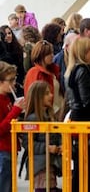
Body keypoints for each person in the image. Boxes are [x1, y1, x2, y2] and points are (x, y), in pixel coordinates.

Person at [65, 37, 90, 192]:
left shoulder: (73, 71)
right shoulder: (83, 71)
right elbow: (86, 99)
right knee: (86, 164)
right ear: (82, 52)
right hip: (84, 121)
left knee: (82, 164)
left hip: (78, 119)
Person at [21, 81, 62, 192]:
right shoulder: (32, 118)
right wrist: (47, 147)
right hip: (40, 166)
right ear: (38, 97)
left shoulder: (50, 116)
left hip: (50, 163)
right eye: (47, 93)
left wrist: (61, 145)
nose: (51, 95)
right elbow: (28, 143)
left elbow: (56, 135)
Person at [0, 61, 25, 192]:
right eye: (10, 80)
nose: (13, 83)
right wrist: (15, 110)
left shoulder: (6, 98)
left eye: (14, 79)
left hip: (9, 148)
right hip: (2, 150)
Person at [24, 40, 64, 119]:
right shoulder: (34, 72)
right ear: (41, 55)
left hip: (57, 112)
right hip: (47, 114)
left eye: (52, 52)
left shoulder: (54, 71)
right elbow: (33, 97)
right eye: (48, 54)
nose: (52, 55)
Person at [0, 25, 25, 96]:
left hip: (19, 81)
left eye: (9, 33)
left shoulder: (18, 48)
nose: (8, 36)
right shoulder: (3, 53)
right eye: (5, 34)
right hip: (9, 84)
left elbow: (21, 68)